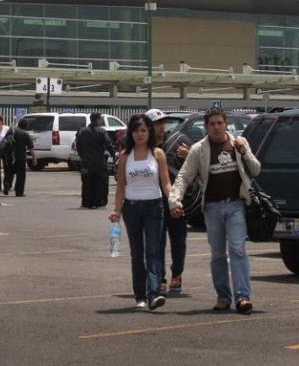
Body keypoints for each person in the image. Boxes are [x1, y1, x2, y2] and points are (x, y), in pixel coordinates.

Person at [168, 108, 261, 315]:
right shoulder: (198, 149)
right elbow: (184, 176)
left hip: (236, 204)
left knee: (237, 249)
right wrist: (174, 200)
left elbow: (255, 170)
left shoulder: (239, 144)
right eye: (212, 124)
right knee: (218, 255)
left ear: (225, 124)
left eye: (220, 123)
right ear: (206, 127)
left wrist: (245, 153)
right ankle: (223, 297)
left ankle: (243, 297)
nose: (217, 127)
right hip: (212, 207)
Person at [109, 113, 173, 311]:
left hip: (154, 206)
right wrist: (117, 210)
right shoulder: (125, 156)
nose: (140, 134)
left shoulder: (158, 154)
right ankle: (140, 295)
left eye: (144, 130)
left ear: (149, 132)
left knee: (153, 251)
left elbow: (166, 183)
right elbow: (121, 186)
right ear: (131, 133)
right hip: (132, 207)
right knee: (137, 253)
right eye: (136, 130)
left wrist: (174, 202)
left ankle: (154, 294)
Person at [145, 108, 191, 296]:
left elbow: (198, 165)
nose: (160, 127)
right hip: (153, 203)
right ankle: (160, 278)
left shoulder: (180, 141)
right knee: (157, 243)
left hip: (176, 201)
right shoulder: (142, 147)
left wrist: (189, 155)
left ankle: (177, 275)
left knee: (178, 240)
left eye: (162, 123)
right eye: (156, 124)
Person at [74, 113, 115, 209]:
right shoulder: (102, 131)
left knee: (87, 183)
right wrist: (113, 155)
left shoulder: (82, 131)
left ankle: (87, 202)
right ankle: (99, 202)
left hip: (86, 161)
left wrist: (82, 155)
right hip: (99, 162)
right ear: (98, 119)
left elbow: (78, 145)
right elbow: (108, 144)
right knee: (100, 182)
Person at [3, 118, 36, 197]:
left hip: (10, 156)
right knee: (21, 175)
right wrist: (34, 158)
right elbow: (31, 148)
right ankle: (19, 192)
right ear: (26, 125)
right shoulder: (25, 134)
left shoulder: (11, 131)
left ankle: (7, 183)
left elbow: (4, 141)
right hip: (20, 157)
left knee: (10, 172)